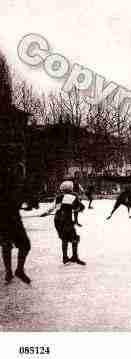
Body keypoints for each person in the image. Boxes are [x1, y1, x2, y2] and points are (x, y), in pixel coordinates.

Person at [0, 54, 32, 284]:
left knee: (10, 242)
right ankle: (13, 271)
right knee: (11, 242)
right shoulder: (11, 172)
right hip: (8, 210)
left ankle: (13, 271)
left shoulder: (15, 170)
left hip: (9, 210)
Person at [53, 180, 86, 265]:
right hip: (66, 221)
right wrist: (79, 208)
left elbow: (58, 208)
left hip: (58, 220)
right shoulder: (73, 196)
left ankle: (65, 257)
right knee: (74, 238)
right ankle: (74, 257)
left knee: (64, 238)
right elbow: (79, 207)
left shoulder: (58, 197)